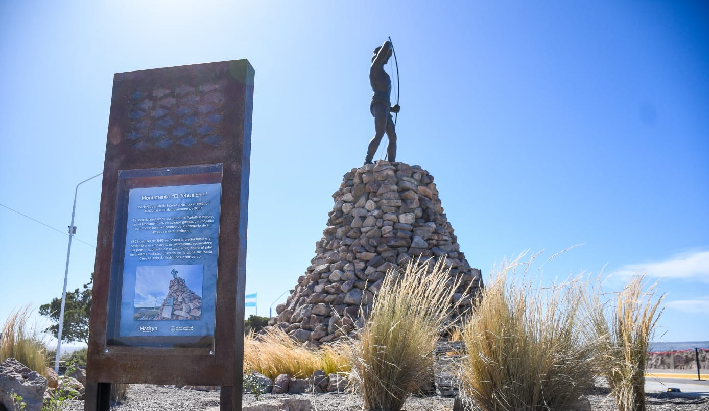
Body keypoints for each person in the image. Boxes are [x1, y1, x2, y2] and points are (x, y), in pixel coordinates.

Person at [365, 40, 400, 165]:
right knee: (379, 133)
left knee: (393, 137)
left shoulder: (382, 73)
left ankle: (392, 163)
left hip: (385, 106)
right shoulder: (375, 68)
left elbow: (385, 97)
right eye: (385, 56)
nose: (386, 59)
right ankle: (367, 160)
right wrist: (388, 45)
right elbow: (383, 51)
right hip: (378, 105)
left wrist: (392, 109)